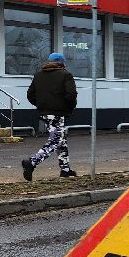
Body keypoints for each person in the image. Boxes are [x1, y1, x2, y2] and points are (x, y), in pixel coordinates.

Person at [21, 51, 77, 181]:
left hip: (44, 113)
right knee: (55, 141)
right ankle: (32, 162)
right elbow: (71, 94)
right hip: (58, 113)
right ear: (62, 63)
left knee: (61, 140)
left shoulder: (38, 75)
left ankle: (65, 170)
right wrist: (68, 108)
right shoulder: (66, 75)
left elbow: (30, 95)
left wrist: (41, 105)